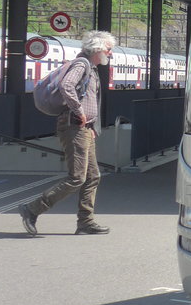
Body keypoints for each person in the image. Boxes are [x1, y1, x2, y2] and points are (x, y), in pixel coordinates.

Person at [19, 30, 117, 237]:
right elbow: (67, 86)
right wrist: (79, 112)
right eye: (109, 49)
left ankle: (86, 222)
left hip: (84, 129)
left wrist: (91, 126)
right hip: (74, 127)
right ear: (98, 49)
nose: (110, 53)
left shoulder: (90, 67)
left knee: (92, 176)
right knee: (77, 178)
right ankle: (32, 209)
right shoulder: (81, 64)